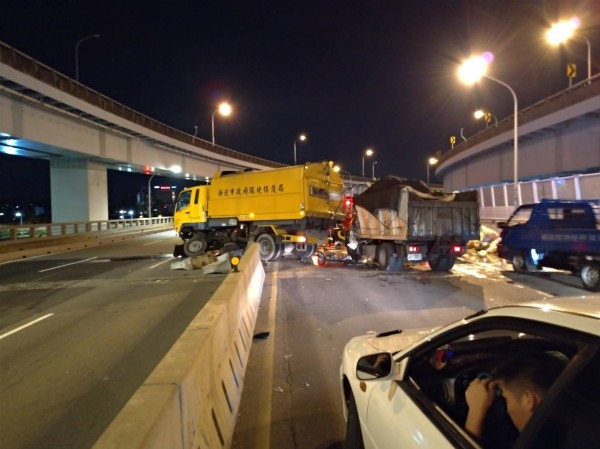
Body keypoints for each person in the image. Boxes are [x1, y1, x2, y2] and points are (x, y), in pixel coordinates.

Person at [464, 351, 567, 442]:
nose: (507, 408)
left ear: (529, 400)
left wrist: (475, 411)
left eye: (506, 398)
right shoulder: (565, 432)